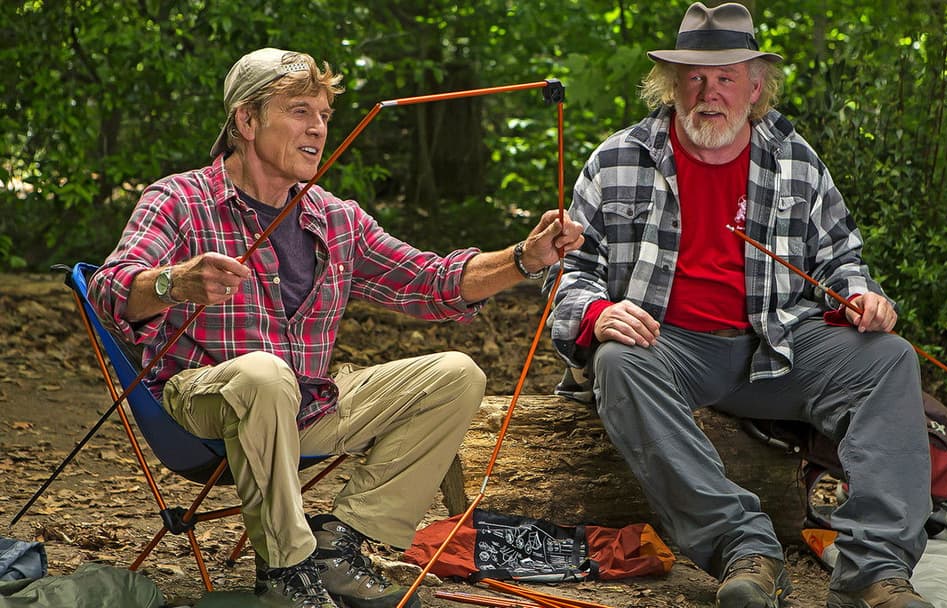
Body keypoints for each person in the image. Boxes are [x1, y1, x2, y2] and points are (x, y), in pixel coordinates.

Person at [89, 48, 584, 608]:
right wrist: (172, 283)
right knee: (263, 374)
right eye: (300, 111)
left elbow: (430, 280)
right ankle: (285, 571)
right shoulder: (181, 199)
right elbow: (109, 291)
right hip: (205, 408)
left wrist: (525, 257)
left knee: (457, 374)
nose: (318, 128)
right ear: (247, 122)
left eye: (324, 115)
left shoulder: (334, 216)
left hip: (307, 405)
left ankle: (338, 545)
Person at [547, 4, 933, 608]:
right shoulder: (617, 159)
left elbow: (841, 258)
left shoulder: (795, 162)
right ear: (671, 85)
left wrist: (861, 296)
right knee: (616, 361)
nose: (710, 92)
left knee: (889, 359)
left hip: (778, 345)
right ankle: (746, 549)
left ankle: (874, 574)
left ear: (756, 87)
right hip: (667, 346)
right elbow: (569, 276)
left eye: (726, 77)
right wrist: (597, 315)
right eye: (695, 77)